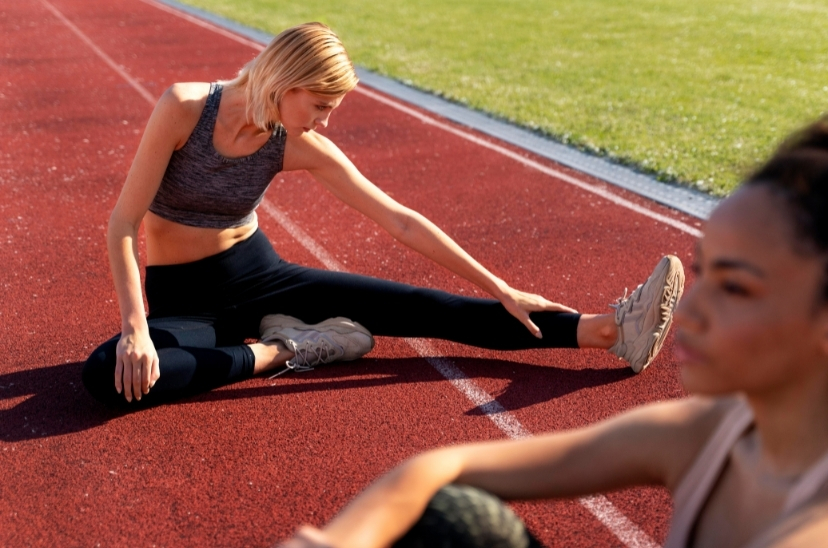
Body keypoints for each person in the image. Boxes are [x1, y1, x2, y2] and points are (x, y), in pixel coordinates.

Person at [278, 93, 828, 548]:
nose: (689, 309)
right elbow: (439, 469)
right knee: (446, 519)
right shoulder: (712, 432)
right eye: (704, 270)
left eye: (736, 288)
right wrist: (339, 541)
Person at [81, 22, 685, 406]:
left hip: (257, 275)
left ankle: (605, 330)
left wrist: (499, 286)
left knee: (414, 306)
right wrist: (136, 326)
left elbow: (399, 219)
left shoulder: (297, 143)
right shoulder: (186, 108)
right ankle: (287, 350)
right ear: (284, 83)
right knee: (111, 372)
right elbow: (123, 226)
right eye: (319, 105)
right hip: (180, 297)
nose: (324, 121)